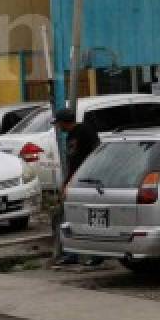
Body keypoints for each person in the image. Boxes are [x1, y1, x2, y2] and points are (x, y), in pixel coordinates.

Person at [52, 107, 103, 267]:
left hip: (89, 181)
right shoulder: (70, 136)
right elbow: (73, 163)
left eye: (58, 123)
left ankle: (97, 254)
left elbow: (95, 156)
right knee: (68, 217)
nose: (58, 127)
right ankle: (71, 253)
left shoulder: (85, 131)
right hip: (75, 181)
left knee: (91, 219)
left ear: (63, 122)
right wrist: (66, 183)